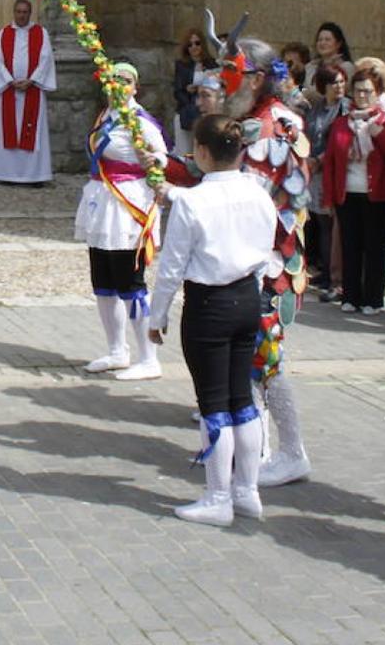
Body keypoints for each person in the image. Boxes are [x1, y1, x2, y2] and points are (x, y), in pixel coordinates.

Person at [147, 113, 280, 525]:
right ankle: (247, 489)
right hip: (247, 297)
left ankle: (219, 495)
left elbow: (172, 263)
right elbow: (267, 247)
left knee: (213, 402)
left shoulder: (193, 200)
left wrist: (158, 314)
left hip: (209, 304)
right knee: (242, 396)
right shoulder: (259, 192)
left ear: (202, 152)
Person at [212, 34, 315, 488]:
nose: (220, 79)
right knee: (252, 357)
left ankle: (291, 451)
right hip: (248, 258)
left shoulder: (273, 125)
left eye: (228, 71)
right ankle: (261, 447)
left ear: (254, 78)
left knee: (265, 360)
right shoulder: (254, 119)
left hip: (269, 261)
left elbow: (254, 196)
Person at [76, 63, 169, 379]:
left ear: (135, 87)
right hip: (101, 202)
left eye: (125, 80)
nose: (118, 85)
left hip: (128, 205)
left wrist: (154, 161)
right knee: (103, 282)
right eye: (113, 79)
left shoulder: (140, 122)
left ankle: (148, 357)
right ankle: (117, 350)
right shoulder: (105, 116)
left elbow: (162, 158)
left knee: (130, 282)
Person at [324, 70, 385, 316]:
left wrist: (380, 137)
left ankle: (373, 299)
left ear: (377, 93)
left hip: (378, 194)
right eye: (358, 90)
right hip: (348, 193)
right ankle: (351, 296)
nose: (362, 95)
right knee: (350, 245)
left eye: (368, 90)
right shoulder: (341, 123)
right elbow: (332, 162)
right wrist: (328, 198)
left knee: (375, 247)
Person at [0, 0, 56, 185]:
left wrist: (31, 80)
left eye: (25, 12)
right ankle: (5, 174)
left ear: (30, 13)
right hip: (9, 90)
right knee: (7, 130)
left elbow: (45, 59)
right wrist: (10, 80)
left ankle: (35, 176)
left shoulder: (41, 33)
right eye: (18, 11)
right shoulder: (4, 33)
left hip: (32, 90)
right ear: (14, 12)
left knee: (33, 132)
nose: (21, 15)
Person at [303, 64, 346, 296]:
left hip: (330, 169)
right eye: (333, 83)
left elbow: (337, 141)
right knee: (319, 222)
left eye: (341, 82)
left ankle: (335, 275)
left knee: (331, 223)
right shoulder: (318, 107)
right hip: (313, 169)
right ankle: (325, 271)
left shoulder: (344, 108)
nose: (338, 87)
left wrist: (319, 159)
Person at [172, 29, 210, 161]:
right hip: (186, 112)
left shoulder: (212, 64)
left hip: (205, 115)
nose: (194, 47)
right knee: (184, 153)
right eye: (190, 44)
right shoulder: (182, 65)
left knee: (202, 152)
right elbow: (177, 91)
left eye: (197, 43)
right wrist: (188, 91)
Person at [308, 22, 353, 87]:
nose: (322, 43)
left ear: (338, 44)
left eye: (327, 40)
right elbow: (301, 86)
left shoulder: (347, 67)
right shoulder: (310, 67)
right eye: (320, 40)